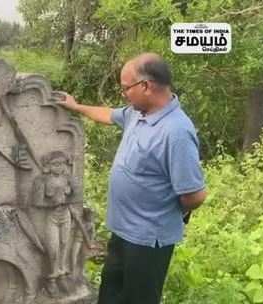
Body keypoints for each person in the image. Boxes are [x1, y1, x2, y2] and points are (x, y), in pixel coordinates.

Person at [59, 53, 207, 304]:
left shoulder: (176, 131)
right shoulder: (136, 114)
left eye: (125, 87)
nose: (123, 93)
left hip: (149, 241)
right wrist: (76, 107)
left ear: (146, 86)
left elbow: (195, 194)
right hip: (123, 231)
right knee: (111, 295)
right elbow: (108, 115)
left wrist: (165, 212)